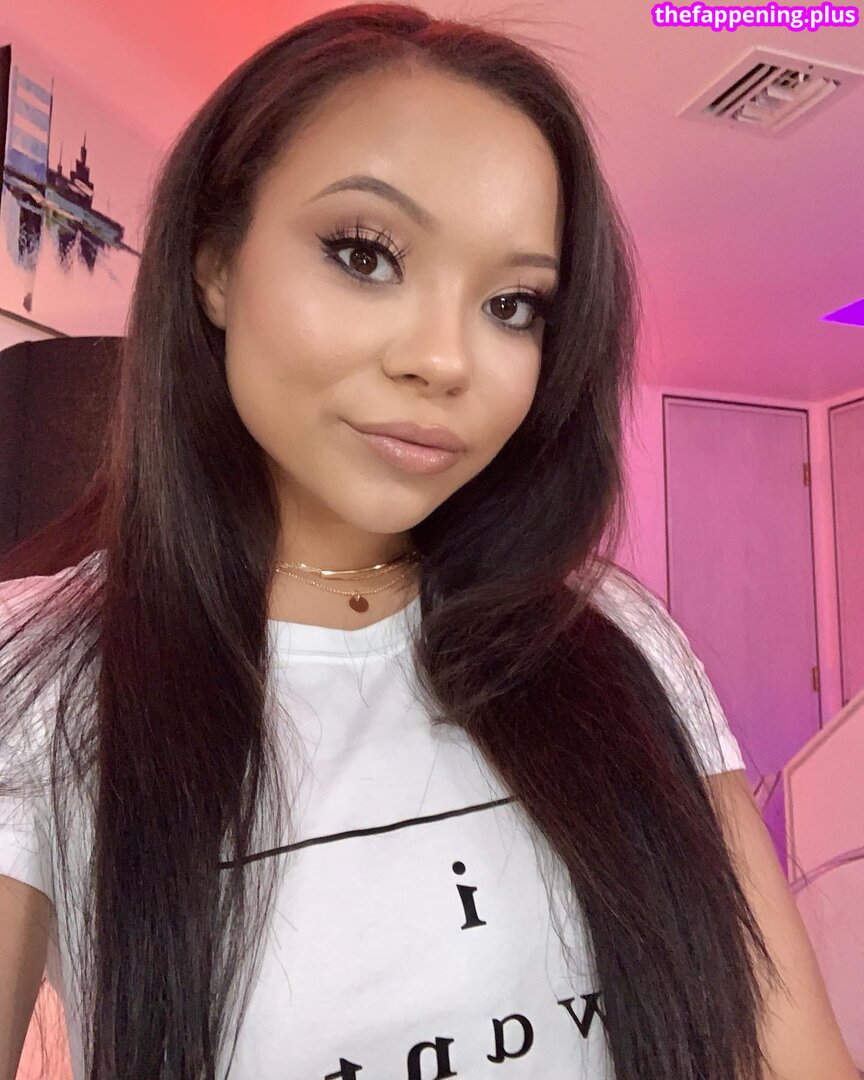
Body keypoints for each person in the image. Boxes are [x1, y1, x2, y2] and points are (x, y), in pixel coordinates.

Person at [0, 4, 857, 1079]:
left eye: (512, 304)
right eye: (364, 254)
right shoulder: (42, 675)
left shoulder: (614, 634)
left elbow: (792, 1054)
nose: (446, 360)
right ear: (215, 263)